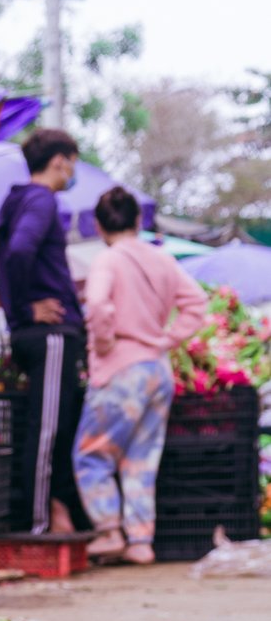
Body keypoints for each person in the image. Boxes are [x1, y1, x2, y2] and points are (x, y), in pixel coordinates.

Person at [77, 187, 209, 564]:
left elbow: (99, 304)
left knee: (91, 455)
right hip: (157, 370)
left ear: (99, 225)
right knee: (142, 458)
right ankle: (140, 541)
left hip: (121, 368)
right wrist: (167, 338)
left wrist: (103, 344)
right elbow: (196, 304)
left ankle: (109, 531)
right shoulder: (162, 259)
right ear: (138, 221)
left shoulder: (108, 260)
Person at [0, 129, 87, 534]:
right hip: (48, 336)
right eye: (73, 161)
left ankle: (50, 515)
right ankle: (36, 526)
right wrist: (26, 309)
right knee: (48, 430)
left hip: (41, 333)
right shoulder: (41, 200)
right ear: (60, 161)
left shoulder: (20, 200)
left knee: (51, 425)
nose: (73, 171)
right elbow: (18, 250)